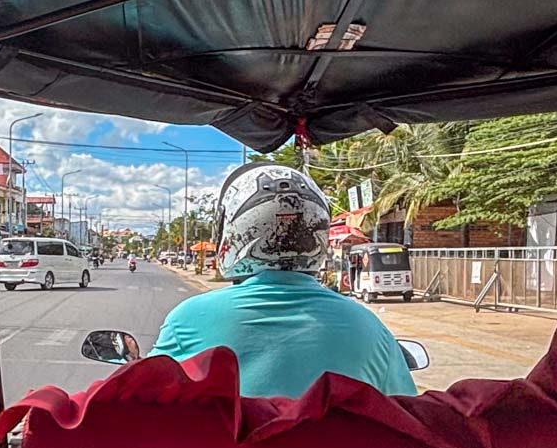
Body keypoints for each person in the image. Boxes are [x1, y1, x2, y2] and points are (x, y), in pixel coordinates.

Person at [152, 162, 415, 398]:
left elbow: (144, 400)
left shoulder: (188, 319)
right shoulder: (368, 327)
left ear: (233, 231)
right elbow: (404, 420)